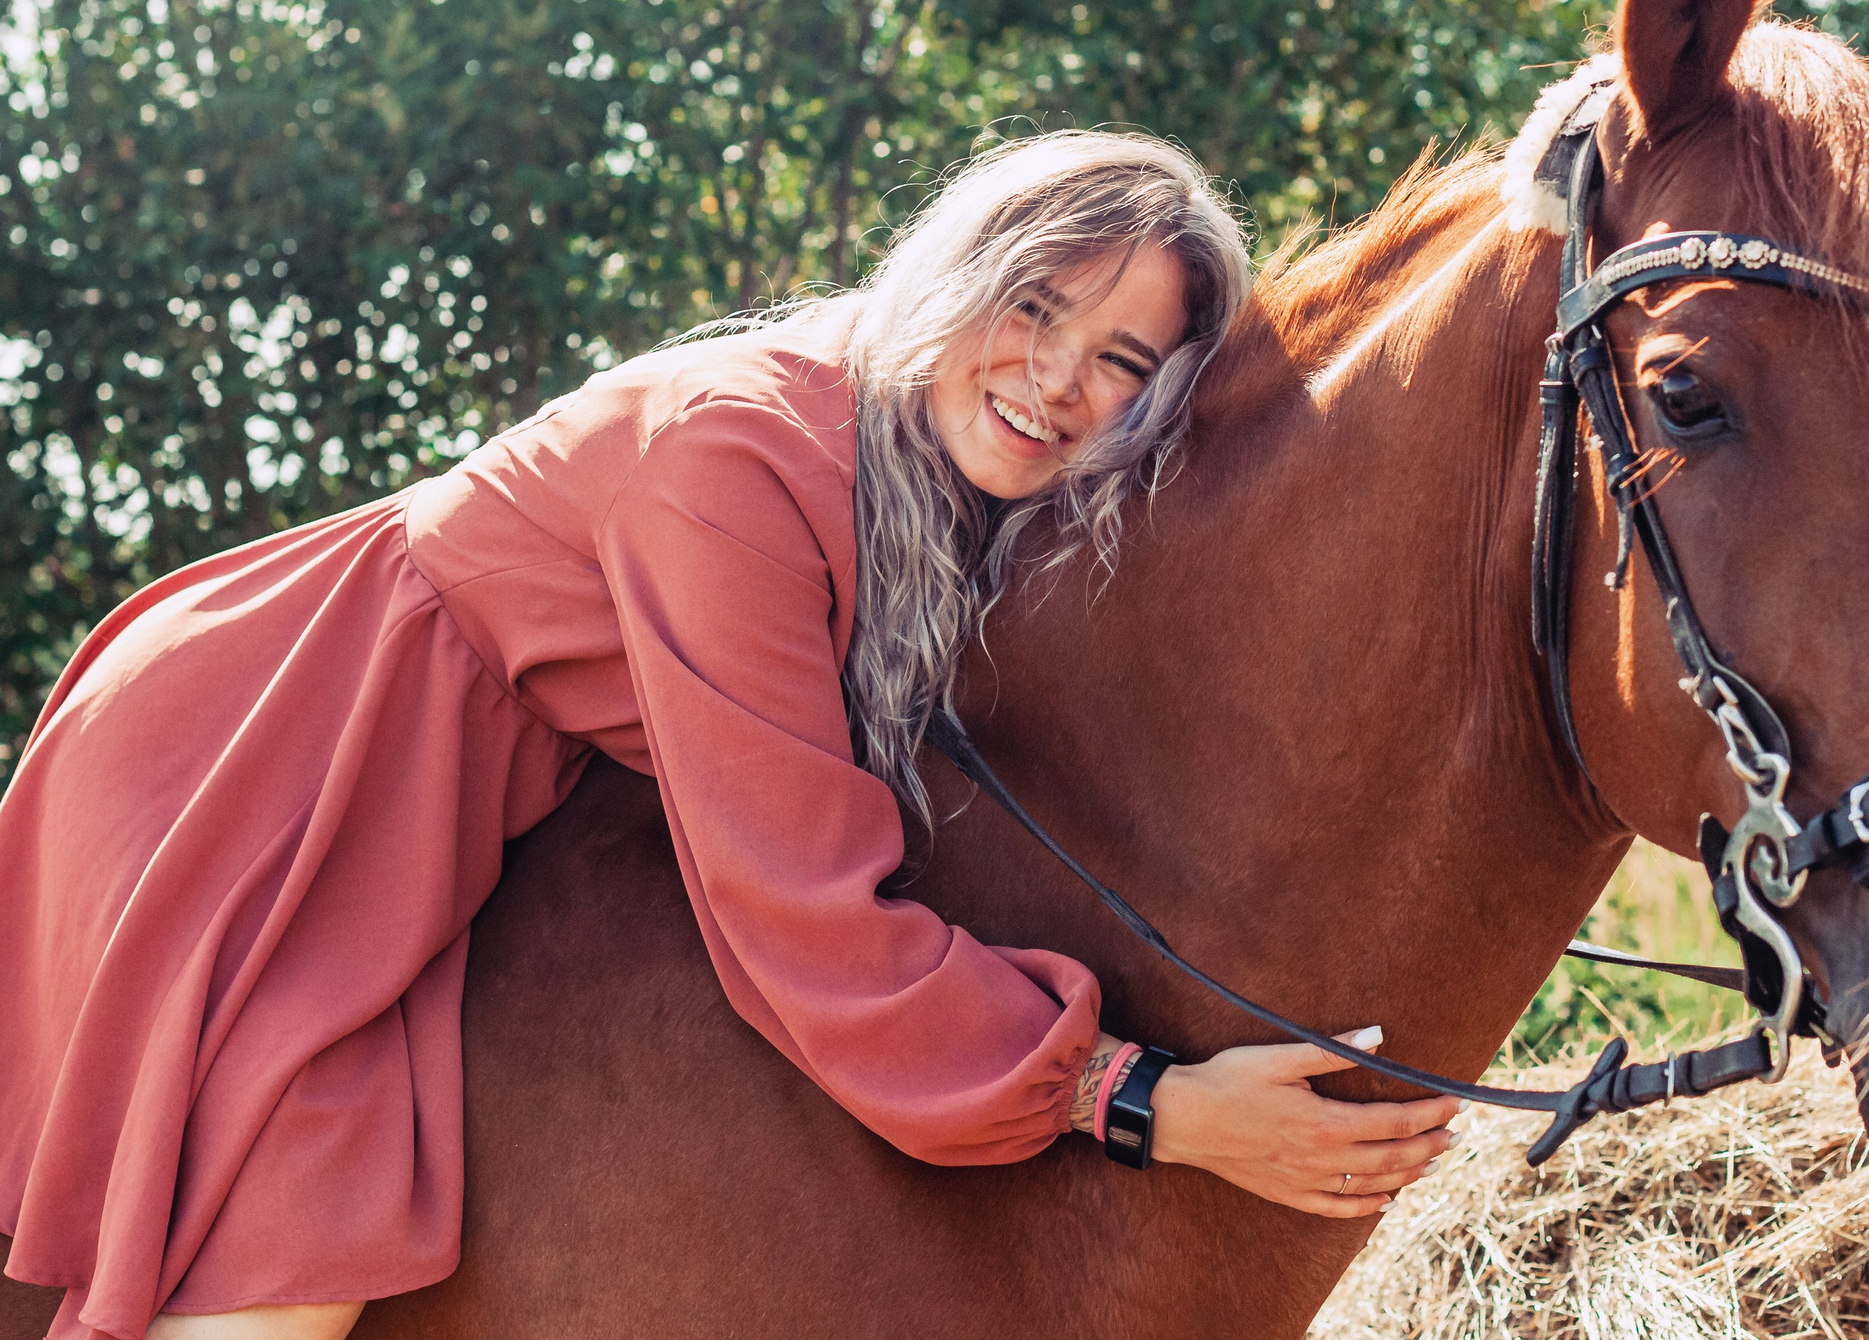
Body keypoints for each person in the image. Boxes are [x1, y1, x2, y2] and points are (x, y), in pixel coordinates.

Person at [0, 133, 1460, 1340]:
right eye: (1034, 306)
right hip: (274, 749)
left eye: (1124, 360)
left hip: (466, 779)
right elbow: (799, 910)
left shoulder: (950, 479)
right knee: (293, 1257)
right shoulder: (739, 461)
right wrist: (1139, 1104)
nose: (1061, 378)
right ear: (955, 276)